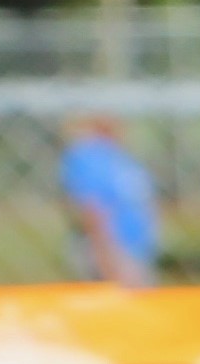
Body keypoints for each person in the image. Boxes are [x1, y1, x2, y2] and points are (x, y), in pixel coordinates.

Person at [56, 116, 156, 285]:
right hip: (113, 250)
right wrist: (106, 257)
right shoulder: (87, 156)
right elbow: (92, 209)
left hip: (134, 248)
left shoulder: (118, 155)